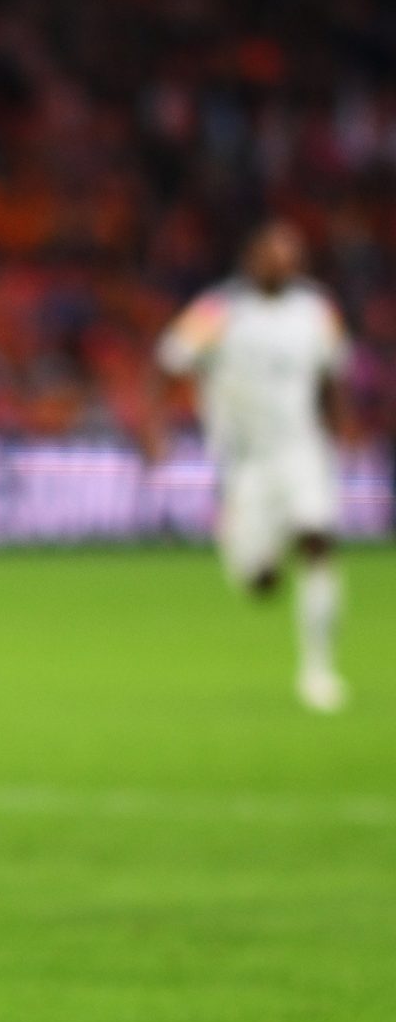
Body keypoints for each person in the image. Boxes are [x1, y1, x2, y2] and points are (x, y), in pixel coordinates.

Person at [152, 220, 355, 711]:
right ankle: (247, 548)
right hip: (245, 462)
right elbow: (166, 362)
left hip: (303, 449)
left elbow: (330, 376)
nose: (282, 263)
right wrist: (153, 429)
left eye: (292, 255)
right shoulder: (218, 310)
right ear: (252, 260)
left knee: (318, 540)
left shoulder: (317, 310)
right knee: (260, 584)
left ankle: (318, 671)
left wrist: (342, 427)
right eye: (273, 254)